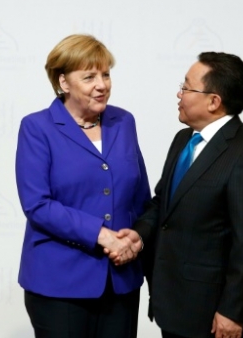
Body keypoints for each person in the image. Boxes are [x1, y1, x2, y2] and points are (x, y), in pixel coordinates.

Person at [118, 52, 243, 338]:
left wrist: (232, 311)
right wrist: (138, 235)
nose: (179, 94)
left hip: (216, 316)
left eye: (187, 87)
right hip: (176, 306)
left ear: (214, 101)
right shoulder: (184, 140)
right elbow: (163, 203)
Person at [15, 34, 151, 338]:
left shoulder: (124, 122)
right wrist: (102, 236)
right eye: (89, 76)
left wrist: (137, 238)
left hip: (121, 279)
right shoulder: (37, 128)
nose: (102, 84)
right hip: (59, 283)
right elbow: (37, 204)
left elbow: (141, 196)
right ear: (63, 83)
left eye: (106, 74)